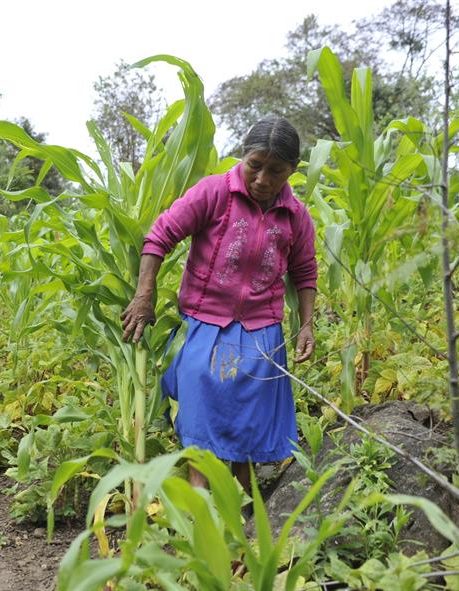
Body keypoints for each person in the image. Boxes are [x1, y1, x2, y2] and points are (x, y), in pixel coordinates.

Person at [120, 117, 317, 493]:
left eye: (276, 171)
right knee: (201, 421)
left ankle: (240, 512)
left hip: (262, 331)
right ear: (243, 157)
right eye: (255, 166)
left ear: (291, 170)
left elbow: (304, 271)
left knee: (247, 429)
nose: (262, 179)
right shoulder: (213, 193)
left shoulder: (296, 216)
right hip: (202, 323)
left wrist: (305, 325)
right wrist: (143, 296)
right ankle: (201, 512)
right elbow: (160, 237)